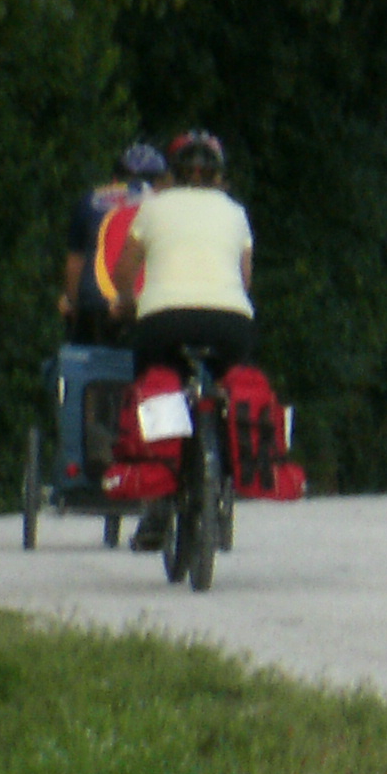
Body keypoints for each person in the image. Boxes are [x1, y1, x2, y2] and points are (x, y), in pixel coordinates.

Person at [103, 131, 258, 552]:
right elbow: (244, 280)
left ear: (170, 175)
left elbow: (122, 270)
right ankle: (222, 481)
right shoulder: (235, 212)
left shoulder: (154, 208)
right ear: (219, 177)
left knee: (155, 384)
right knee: (230, 382)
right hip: (230, 323)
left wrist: (130, 303)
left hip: (164, 321)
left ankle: (157, 505)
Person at [61, 141, 163, 347]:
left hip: (96, 304)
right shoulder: (164, 205)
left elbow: (75, 262)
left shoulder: (89, 199)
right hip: (150, 307)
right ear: (161, 181)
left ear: (115, 177)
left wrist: (72, 304)